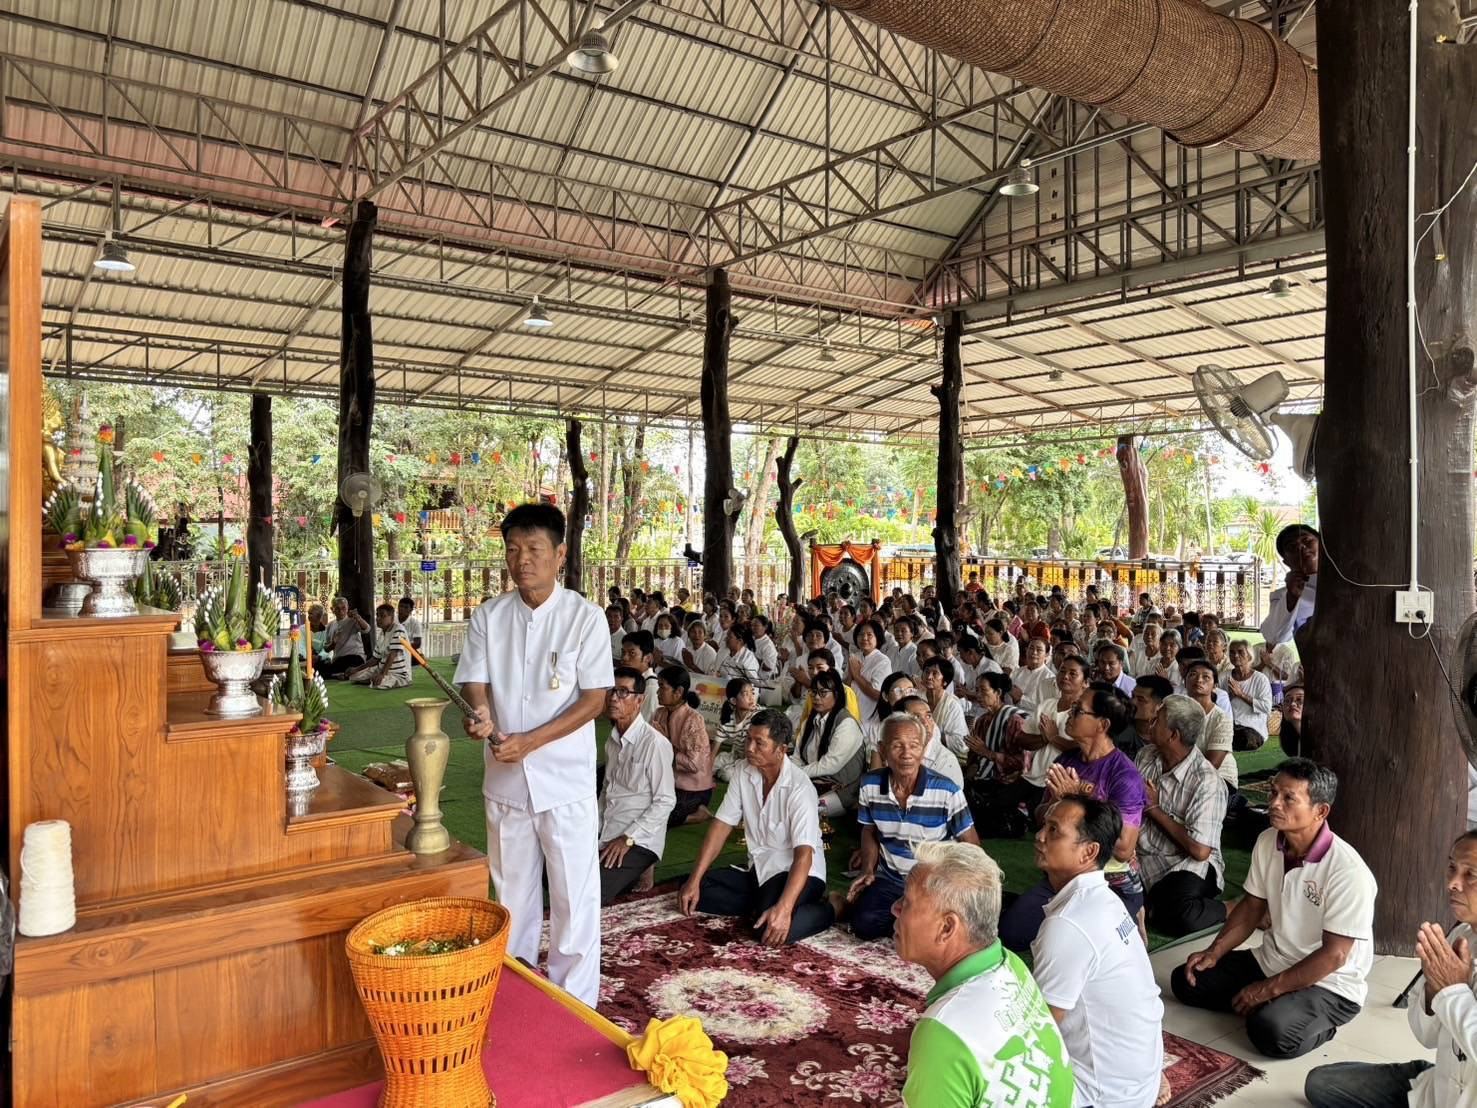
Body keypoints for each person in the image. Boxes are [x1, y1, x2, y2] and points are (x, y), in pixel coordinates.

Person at [454, 503, 613, 1006]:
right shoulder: (489, 615)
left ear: (560, 554)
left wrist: (531, 741)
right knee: (512, 896)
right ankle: (519, 999)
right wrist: (480, 714)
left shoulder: (584, 619)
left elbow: (595, 700)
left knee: (573, 897)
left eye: (534, 549)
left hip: (564, 783)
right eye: (513, 549)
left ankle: (576, 1005)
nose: (522, 559)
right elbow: (475, 682)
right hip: (504, 781)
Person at [1170, 758, 1377, 1058]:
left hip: (1330, 982)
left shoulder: (1348, 871)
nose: (1274, 804)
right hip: (1273, 960)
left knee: (1270, 1032)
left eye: (1288, 798)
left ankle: (1319, 1019)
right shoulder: (1268, 841)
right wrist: (1215, 952)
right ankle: (1276, 1001)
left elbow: (1335, 956)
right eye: (1273, 793)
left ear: (1320, 811)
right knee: (1186, 980)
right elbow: (1252, 906)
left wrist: (1266, 990)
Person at [895, 841, 1075, 1107]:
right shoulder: (1011, 963)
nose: (895, 908)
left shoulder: (942, 1032)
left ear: (947, 928)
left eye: (907, 903)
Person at [1304, 831, 1477, 1108]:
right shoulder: (1461, 936)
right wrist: (1434, 989)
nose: (1454, 884)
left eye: (1472, 875)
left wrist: (1453, 990)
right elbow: (1427, 1036)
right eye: (1452, 868)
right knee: (1321, 1083)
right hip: (1436, 1090)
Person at [1032, 795, 1166, 1108]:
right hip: (1137, 1084)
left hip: (1101, 1096)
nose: (1039, 836)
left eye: (1054, 831)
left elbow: (1040, 1028)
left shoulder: (1068, 924)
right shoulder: (1105, 900)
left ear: (1089, 852)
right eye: (1044, 827)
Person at [1001, 682, 1147, 951]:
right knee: (1013, 934)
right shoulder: (1068, 760)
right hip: (1064, 879)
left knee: (1075, 943)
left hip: (1109, 884)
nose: (1069, 712)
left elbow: (1124, 848)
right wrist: (1059, 802)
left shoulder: (1124, 776)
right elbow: (1040, 815)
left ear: (1102, 725)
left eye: (1078, 710)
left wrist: (1078, 797)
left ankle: (1132, 909)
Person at [678, 710, 835, 945]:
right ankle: (761, 905)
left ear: (782, 749)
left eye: (759, 743)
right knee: (690, 889)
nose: (749, 748)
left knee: (766, 932)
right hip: (758, 869)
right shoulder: (743, 771)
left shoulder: (800, 788)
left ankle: (832, 908)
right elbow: (721, 825)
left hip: (797, 872)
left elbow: (804, 855)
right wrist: (694, 879)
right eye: (748, 739)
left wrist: (783, 908)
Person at [840, 713, 978, 940]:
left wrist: (963, 887)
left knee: (934, 931)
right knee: (863, 924)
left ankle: (911, 921)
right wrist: (868, 870)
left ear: (923, 750)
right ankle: (910, 921)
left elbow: (971, 843)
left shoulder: (947, 790)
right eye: (897, 746)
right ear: (882, 750)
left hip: (933, 883)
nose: (906, 754)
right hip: (892, 880)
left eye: (914, 746)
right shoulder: (870, 785)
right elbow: (869, 831)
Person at [1136, 694, 1228, 936]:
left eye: (1157, 719)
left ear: (1173, 735)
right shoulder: (1147, 756)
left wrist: (1154, 810)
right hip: (1145, 857)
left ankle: (1232, 908)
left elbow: (1199, 851)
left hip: (1186, 863)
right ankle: (1151, 904)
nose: (1150, 721)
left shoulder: (1206, 780)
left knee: (1178, 915)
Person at [597, 667, 675, 905]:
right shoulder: (612, 741)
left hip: (638, 838)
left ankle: (642, 865)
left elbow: (666, 801)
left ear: (640, 700)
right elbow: (606, 791)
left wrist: (628, 838)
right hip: (607, 830)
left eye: (623, 692)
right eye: (611, 691)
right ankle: (628, 874)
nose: (613, 698)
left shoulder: (655, 744)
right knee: (553, 872)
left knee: (592, 892)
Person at [793, 669, 866, 815]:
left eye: (823, 692)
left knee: (806, 809)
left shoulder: (846, 723)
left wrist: (793, 773)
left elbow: (829, 765)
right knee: (783, 797)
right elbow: (797, 757)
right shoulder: (809, 721)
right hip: (813, 781)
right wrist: (791, 773)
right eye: (813, 692)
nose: (816, 697)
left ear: (836, 695)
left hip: (843, 789)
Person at [653, 666, 713, 827]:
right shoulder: (659, 713)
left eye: (662, 687)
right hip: (667, 781)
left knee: (660, 816)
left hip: (693, 788)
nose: (658, 692)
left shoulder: (693, 719)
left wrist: (665, 743)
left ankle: (697, 815)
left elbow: (694, 764)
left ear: (678, 692)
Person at [1182, 658, 1237, 793]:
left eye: (1206, 677)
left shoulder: (1221, 719)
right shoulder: (1177, 712)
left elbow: (1212, 765)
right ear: (1185, 682)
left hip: (1218, 777)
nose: (1199, 680)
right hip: (1182, 772)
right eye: (1193, 674)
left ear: (1214, 686)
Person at [1261, 523, 1319, 646]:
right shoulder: (1283, 596)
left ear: (1322, 545)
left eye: (1306, 540)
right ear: (1286, 561)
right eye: (1291, 546)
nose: (1300, 547)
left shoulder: (1351, 578)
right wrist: (1291, 597)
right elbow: (1273, 636)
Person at [1223, 639, 1273, 751]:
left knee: (1243, 738)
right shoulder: (1224, 677)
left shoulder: (1260, 679)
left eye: (1240, 652)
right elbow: (1216, 702)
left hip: (1252, 728)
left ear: (1249, 656)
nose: (1235, 655)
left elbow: (1266, 708)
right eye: (1232, 652)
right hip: (1229, 726)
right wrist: (1229, 696)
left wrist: (1240, 694)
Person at [347, 603, 413, 689]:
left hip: (398, 674)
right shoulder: (382, 633)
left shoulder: (398, 629)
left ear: (392, 618)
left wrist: (382, 674)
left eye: (382, 616)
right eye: (377, 615)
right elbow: (375, 659)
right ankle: (372, 679)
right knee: (354, 676)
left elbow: (392, 654)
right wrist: (356, 669)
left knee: (379, 683)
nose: (378, 618)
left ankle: (374, 679)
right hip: (381, 669)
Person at [847, 619, 893, 723]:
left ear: (878, 638)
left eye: (869, 635)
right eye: (860, 634)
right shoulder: (854, 656)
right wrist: (851, 674)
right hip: (851, 711)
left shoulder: (883, 661)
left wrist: (857, 675)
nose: (864, 638)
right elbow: (846, 686)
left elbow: (877, 694)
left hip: (869, 717)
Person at [713, 676, 756, 783]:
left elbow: (749, 755)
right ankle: (725, 769)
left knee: (728, 775)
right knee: (711, 763)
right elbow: (713, 750)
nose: (751, 698)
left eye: (752, 693)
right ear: (733, 700)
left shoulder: (757, 716)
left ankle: (724, 771)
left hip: (753, 760)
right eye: (746, 694)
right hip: (736, 756)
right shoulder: (727, 719)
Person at [618, 630, 660, 723]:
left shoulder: (651, 688)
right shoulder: (634, 682)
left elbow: (644, 727)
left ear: (648, 658)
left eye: (631, 653)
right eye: (623, 652)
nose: (624, 658)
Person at [321, 596, 369, 676]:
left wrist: (358, 617)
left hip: (355, 657)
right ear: (332, 609)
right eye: (337, 608)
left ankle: (341, 674)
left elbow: (367, 629)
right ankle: (341, 674)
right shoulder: (330, 625)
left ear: (347, 608)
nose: (341, 611)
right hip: (339, 660)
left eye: (343, 608)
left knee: (348, 664)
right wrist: (333, 644)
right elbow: (326, 649)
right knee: (320, 669)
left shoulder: (353, 620)